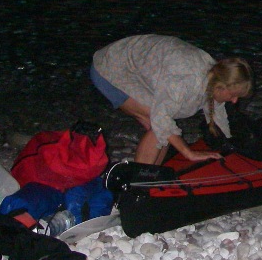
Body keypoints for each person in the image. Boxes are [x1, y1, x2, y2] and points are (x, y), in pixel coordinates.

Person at [90, 34, 253, 165]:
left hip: (140, 66)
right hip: (113, 67)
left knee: (165, 131)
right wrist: (189, 153)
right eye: (233, 95)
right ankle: (138, 184)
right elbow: (160, 118)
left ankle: (152, 177)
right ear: (221, 86)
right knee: (158, 124)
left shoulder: (215, 76)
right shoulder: (185, 80)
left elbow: (216, 111)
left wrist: (230, 143)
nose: (234, 101)